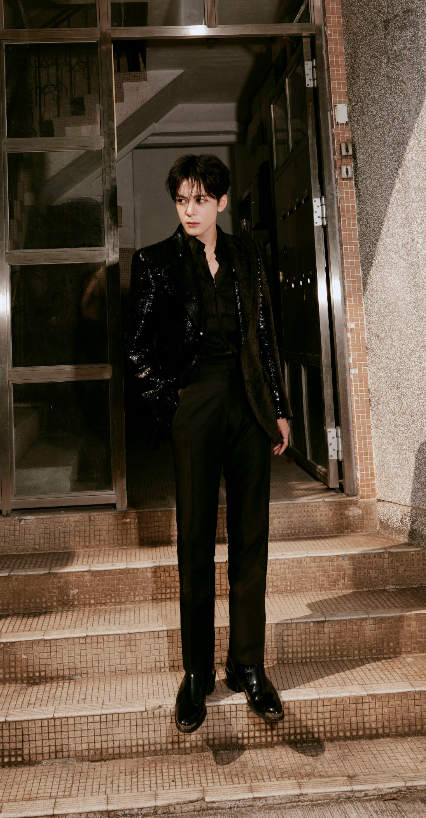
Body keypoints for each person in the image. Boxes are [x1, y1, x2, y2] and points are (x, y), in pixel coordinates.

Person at [125, 153, 292, 734]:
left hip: (247, 406)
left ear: (220, 202)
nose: (189, 211)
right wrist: (171, 407)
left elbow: (264, 336)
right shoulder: (155, 263)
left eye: (199, 199)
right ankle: (196, 673)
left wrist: (279, 408)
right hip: (194, 406)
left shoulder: (246, 255)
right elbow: (136, 348)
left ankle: (248, 666)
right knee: (195, 544)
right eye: (181, 200)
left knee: (251, 541)